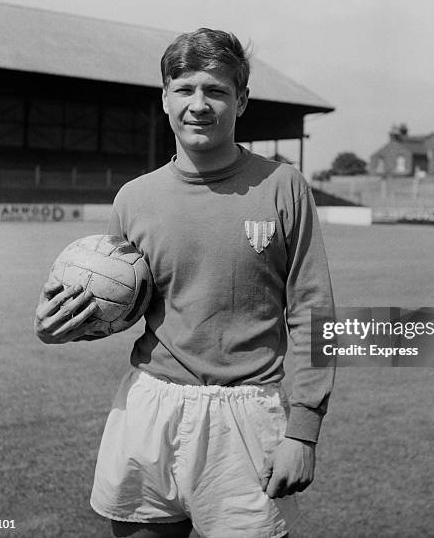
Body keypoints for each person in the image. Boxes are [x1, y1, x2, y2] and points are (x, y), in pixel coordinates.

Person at [35, 28, 335, 538]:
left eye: (216, 90)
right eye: (185, 89)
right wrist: (63, 324)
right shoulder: (133, 198)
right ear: (165, 98)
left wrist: (302, 433)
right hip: (149, 405)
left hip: (247, 412)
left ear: (241, 99)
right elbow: (119, 307)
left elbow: (312, 309)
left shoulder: (283, 186)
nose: (200, 104)